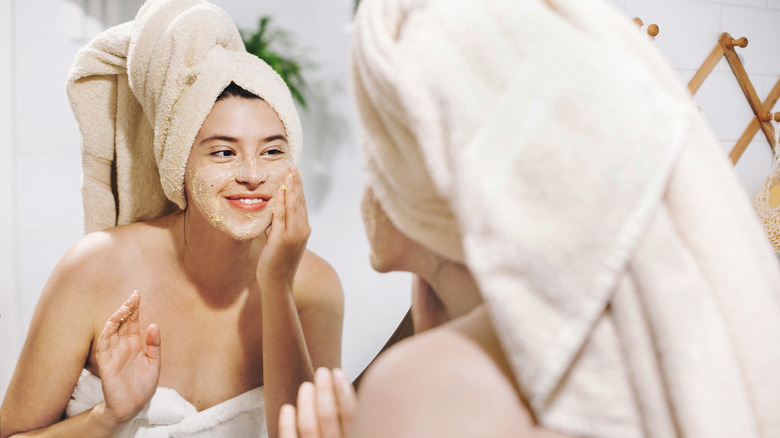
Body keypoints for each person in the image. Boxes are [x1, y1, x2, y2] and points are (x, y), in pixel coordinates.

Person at [279, 0, 780, 437]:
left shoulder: (420, 385)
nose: (369, 188)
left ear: (441, 180)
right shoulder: (652, 359)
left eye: (381, 155)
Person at [0, 1, 343, 437]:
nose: (253, 175)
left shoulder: (315, 288)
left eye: (272, 150)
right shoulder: (95, 268)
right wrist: (110, 418)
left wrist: (277, 285)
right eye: (223, 151)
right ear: (179, 162)